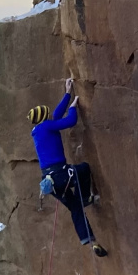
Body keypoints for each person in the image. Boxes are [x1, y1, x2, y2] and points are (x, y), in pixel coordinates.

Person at [29, 77, 107, 257]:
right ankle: (86, 197)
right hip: (61, 175)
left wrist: (67, 93)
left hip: (50, 181)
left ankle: (91, 241)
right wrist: (73, 107)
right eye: (47, 114)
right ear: (44, 118)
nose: (50, 115)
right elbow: (69, 121)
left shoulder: (38, 130)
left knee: (75, 208)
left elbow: (56, 115)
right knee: (84, 169)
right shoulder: (48, 127)